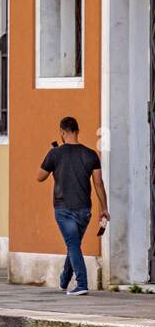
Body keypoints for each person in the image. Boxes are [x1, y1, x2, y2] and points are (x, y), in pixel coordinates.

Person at [37, 116, 109, 296]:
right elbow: (98, 183)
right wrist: (104, 209)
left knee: (73, 244)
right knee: (74, 244)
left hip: (63, 209)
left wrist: (51, 160)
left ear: (62, 132)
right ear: (78, 131)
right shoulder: (91, 154)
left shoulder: (55, 154)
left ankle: (82, 283)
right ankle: (64, 280)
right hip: (85, 209)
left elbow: (40, 177)